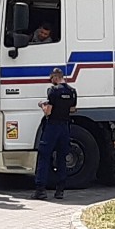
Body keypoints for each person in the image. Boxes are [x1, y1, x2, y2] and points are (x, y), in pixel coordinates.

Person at [32, 68, 77, 200]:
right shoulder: (72, 91)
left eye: (51, 79)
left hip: (52, 127)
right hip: (65, 127)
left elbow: (48, 112)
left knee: (44, 156)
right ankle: (60, 190)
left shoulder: (53, 91)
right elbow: (73, 109)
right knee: (62, 158)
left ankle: (40, 190)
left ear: (55, 77)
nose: (51, 82)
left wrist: (42, 105)